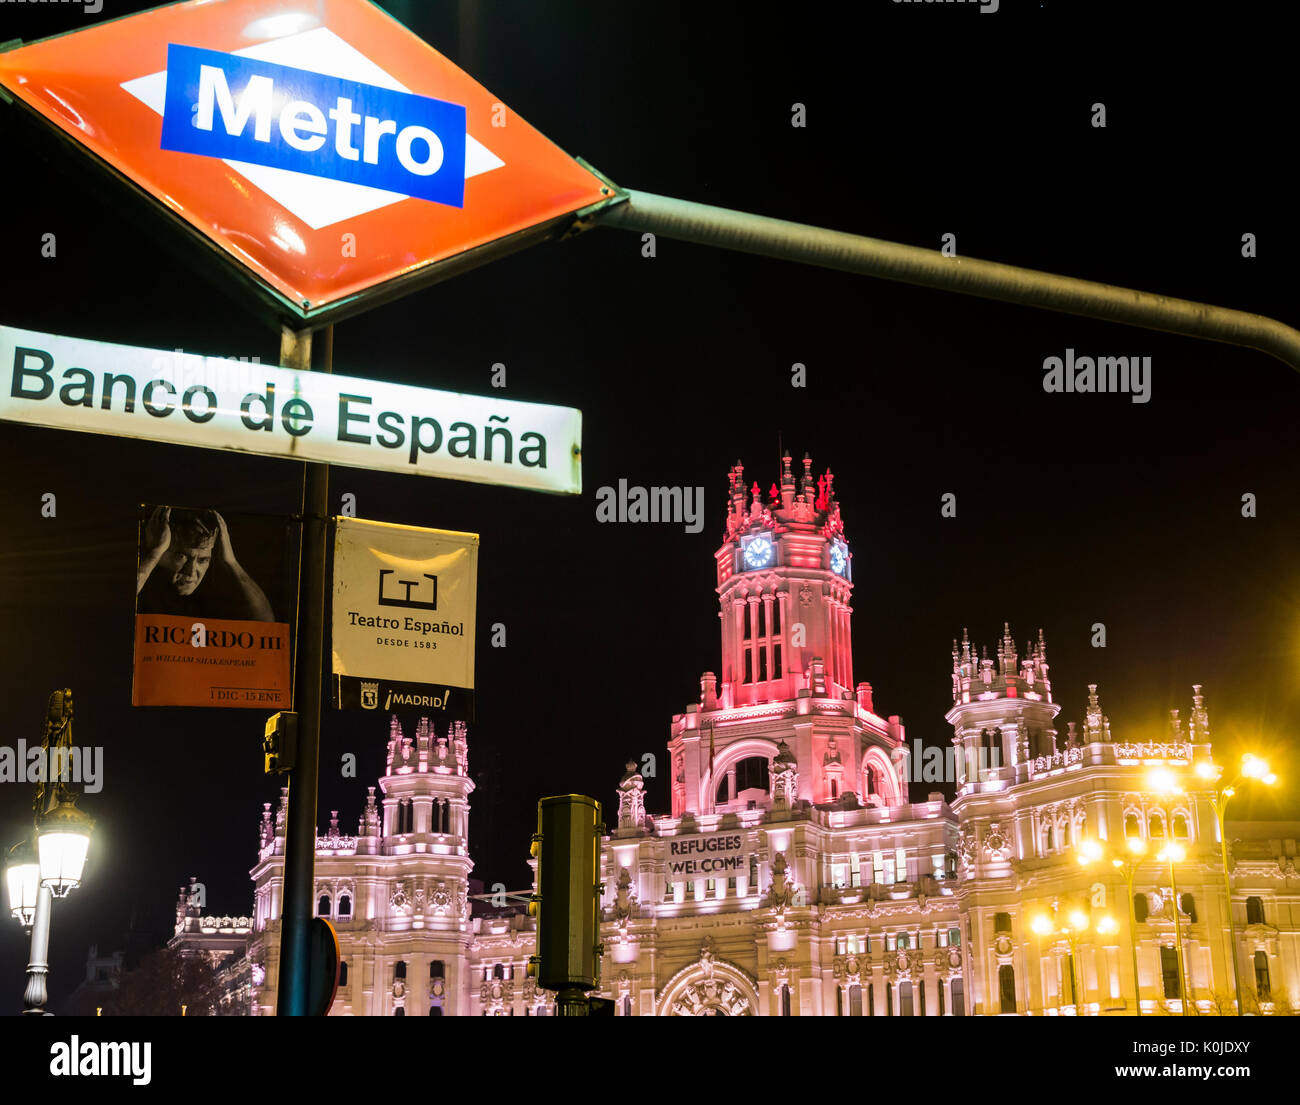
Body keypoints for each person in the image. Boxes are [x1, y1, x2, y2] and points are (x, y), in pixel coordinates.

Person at [136, 506, 275, 622]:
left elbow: (266, 624)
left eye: (203, 560)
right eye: (181, 557)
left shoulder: (211, 601)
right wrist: (154, 552)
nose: (191, 572)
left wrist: (231, 562)